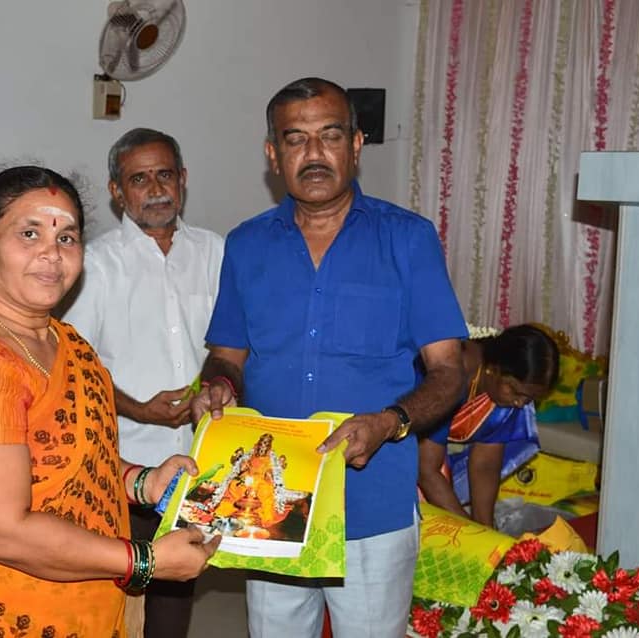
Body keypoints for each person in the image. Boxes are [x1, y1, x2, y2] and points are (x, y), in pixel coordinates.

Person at [0, 166, 219, 636]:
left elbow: (68, 457)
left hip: (82, 608)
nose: (51, 253)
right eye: (29, 233)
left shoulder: (66, 342)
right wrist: (144, 561)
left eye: (66, 238)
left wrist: (142, 482)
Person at [191, 77, 468, 638]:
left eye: (331, 135)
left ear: (356, 145)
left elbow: (449, 372)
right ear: (273, 154)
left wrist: (388, 423)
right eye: (295, 139)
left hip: (372, 503)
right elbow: (227, 356)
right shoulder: (246, 244)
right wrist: (219, 386)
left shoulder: (408, 239)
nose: (314, 153)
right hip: (270, 507)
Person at [61, 127, 224, 637]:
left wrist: (219, 385)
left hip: (201, 461)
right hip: (123, 468)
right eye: (139, 179)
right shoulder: (93, 264)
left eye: (164, 175)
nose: (155, 189)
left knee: (174, 605)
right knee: (113, 606)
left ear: (183, 179)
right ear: (117, 190)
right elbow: (72, 369)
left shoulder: (216, 252)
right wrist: (137, 408)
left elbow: (233, 347)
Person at [417, 324, 560, 528]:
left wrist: (485, 528)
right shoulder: (453, 375)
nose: (520, 403)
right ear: (493, 368)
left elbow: (485, 465)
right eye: (516, 392)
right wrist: (470, 532)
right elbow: (426, 470)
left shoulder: (506, 395)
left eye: (530, 399)